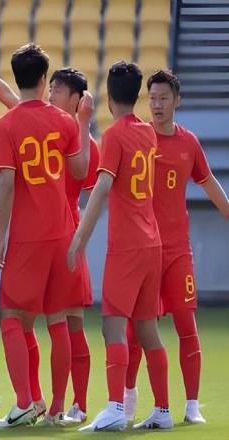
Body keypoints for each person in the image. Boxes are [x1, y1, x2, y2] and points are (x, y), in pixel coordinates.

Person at [0, 46, 100, 422]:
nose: (52, 90)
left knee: (11, 316)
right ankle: (54, 406)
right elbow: (80, 171)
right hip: (65, 233)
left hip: (29, 235)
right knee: (58, 321)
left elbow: (6, 184)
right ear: (42, 79)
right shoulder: (64, 123)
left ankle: (27, 401)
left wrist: (0, 233)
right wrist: (83, 124)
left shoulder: (7, 125)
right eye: (50, 85)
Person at [68, 61, 173, 432]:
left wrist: (79, 237)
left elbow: (102, 188)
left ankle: (115, 407)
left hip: (127, 245)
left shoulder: (114, 135)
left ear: (110, 98)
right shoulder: (148, 133)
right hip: (152, 242)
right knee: (147, 330)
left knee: (113, 327)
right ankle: (162, 410)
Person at [124, 69, 229, 424]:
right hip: (143, 251)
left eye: (163, 98)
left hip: (177, 252)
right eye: (152, 98)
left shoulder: (189, 143)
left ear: (177, 101)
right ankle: (127, 400)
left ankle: (192, 406)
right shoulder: (139, 138)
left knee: (187, 325)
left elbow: (208, 181)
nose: (156, 105)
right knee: (136, 331)